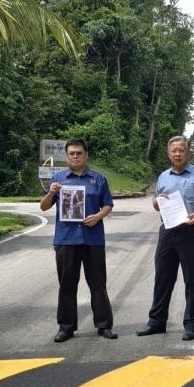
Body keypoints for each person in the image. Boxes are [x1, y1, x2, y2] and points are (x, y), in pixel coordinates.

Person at [136, 136, 194, 341]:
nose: (177, 154)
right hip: (168, 230)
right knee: (162, 277)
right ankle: (156, 322)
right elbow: (156, 202)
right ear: (168, 154)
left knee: (191, 279)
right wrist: (157, 202)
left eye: (181, 150)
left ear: (189, 153)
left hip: (192, 230)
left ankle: (191, 325)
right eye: (173, 150)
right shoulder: (163, 176)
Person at [40, 138, 117, 343]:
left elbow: (108, 204)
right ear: (66, 156)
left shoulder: (98, 179)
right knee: (67, 285)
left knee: (98, 284)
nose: (75, 156)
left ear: (86, 155)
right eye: (71, 153)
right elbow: (44, 206)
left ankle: (104, 325)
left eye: (79, 153)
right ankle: (66, 327)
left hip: (93, 240)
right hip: (66, 239)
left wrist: (99, 216)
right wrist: (52, 193)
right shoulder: (58, 179)